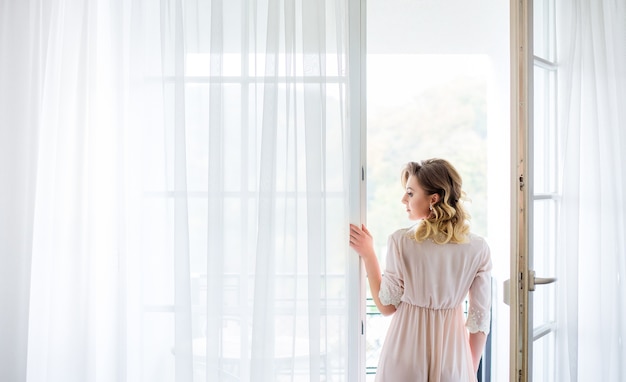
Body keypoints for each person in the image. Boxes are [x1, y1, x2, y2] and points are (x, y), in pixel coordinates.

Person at [349, 158, 492, 382]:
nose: (403, 199)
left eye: (410, 193)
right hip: (453, 357)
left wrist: (369, 255)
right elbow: (480, 321)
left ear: (433, 199)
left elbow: (386, 307)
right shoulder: (478, 248)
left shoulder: (400, 241)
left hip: (404, 353)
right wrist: (468, 370)